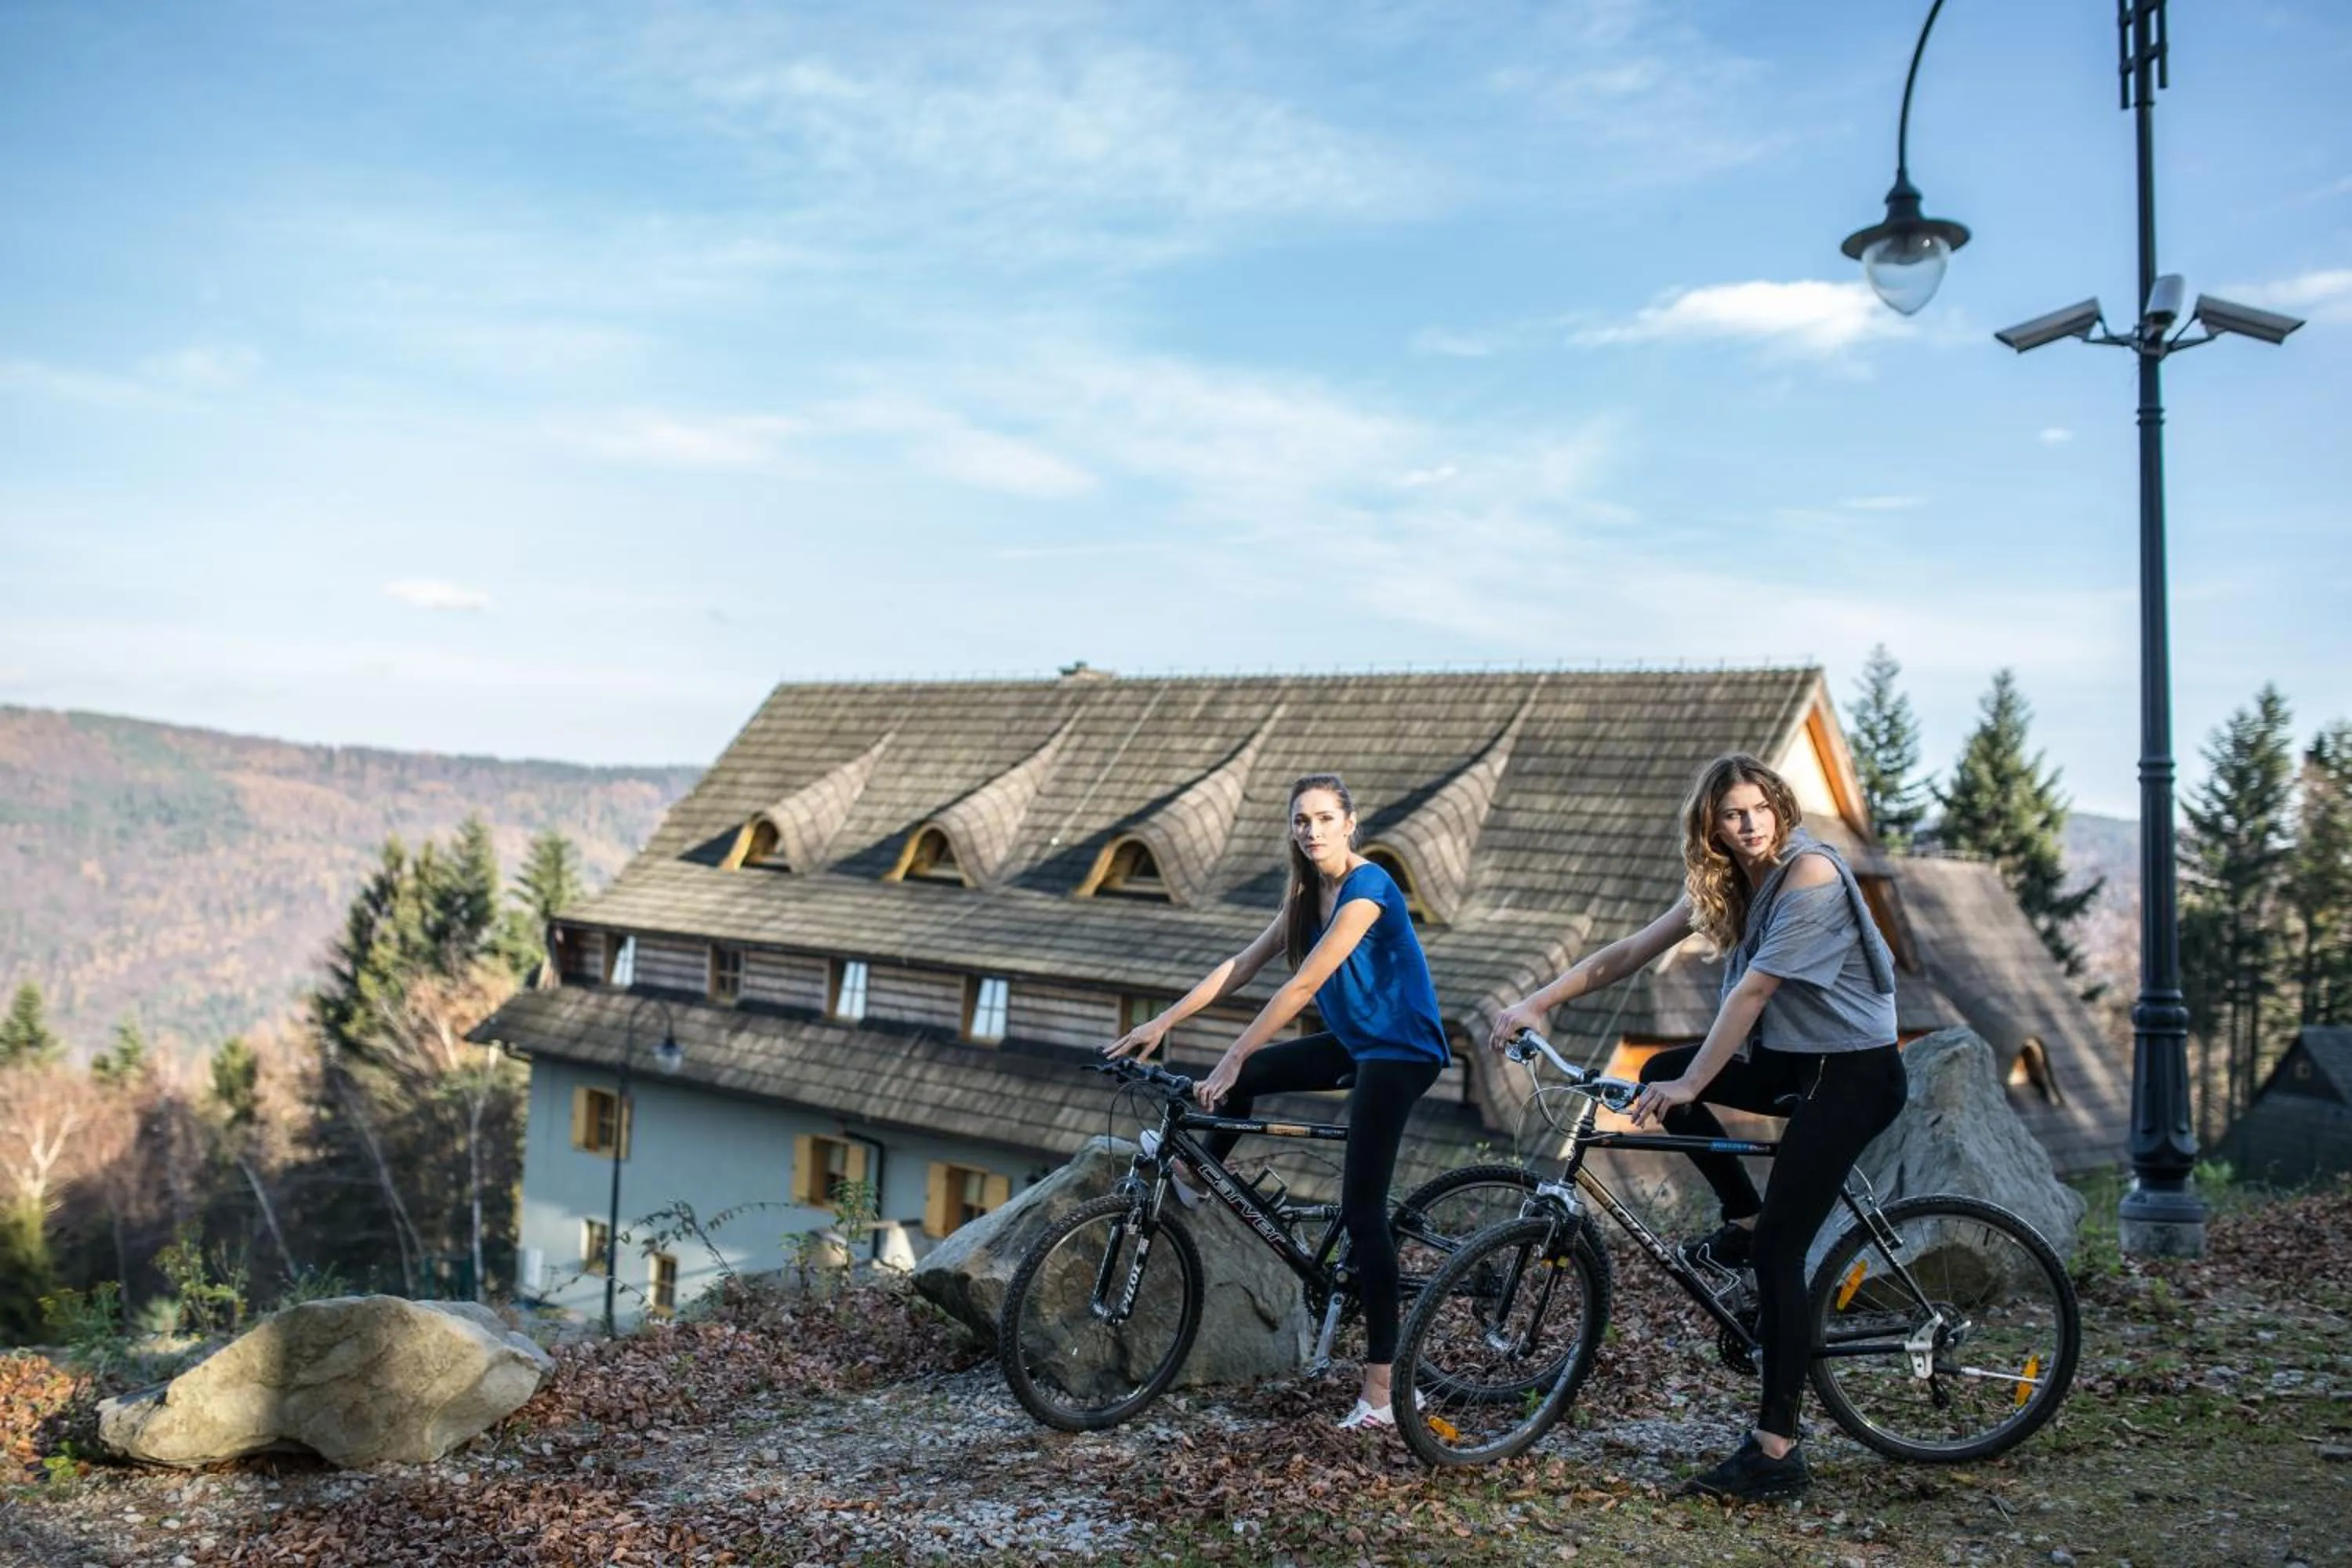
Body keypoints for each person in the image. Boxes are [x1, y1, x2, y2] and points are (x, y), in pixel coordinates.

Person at [1486, 753, 1905, 1501]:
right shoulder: (1727, 885)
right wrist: (1537, 1002)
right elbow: (1627, 952)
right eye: (1731, 815)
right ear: (1711, 825)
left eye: (1757, 809)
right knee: (1658, 1078)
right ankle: (1741, 1216)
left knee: (1784, 1248)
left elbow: (1755, 989)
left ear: (1779, 807)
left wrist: (1693, 1082)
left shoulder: (1809, 876)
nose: (1747, 825)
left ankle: (1777, 1452)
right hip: (1792, 1061)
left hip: (1853, 1074)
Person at [1105, 772, 1451, 1431]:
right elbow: (1240, 966)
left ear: (1351, 823)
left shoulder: (1368, 887)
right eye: (1301, 821)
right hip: (1354, 1042)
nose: (1312, 831)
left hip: (1402, 1050)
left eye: (1324, 818)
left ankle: (1382, 1395)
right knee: (1252, 1075)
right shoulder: (1305, 893)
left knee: (1363, 1210)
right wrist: (1162, 1022)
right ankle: (1193, 1176)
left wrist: (1231, 1055)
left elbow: (1304, 984)